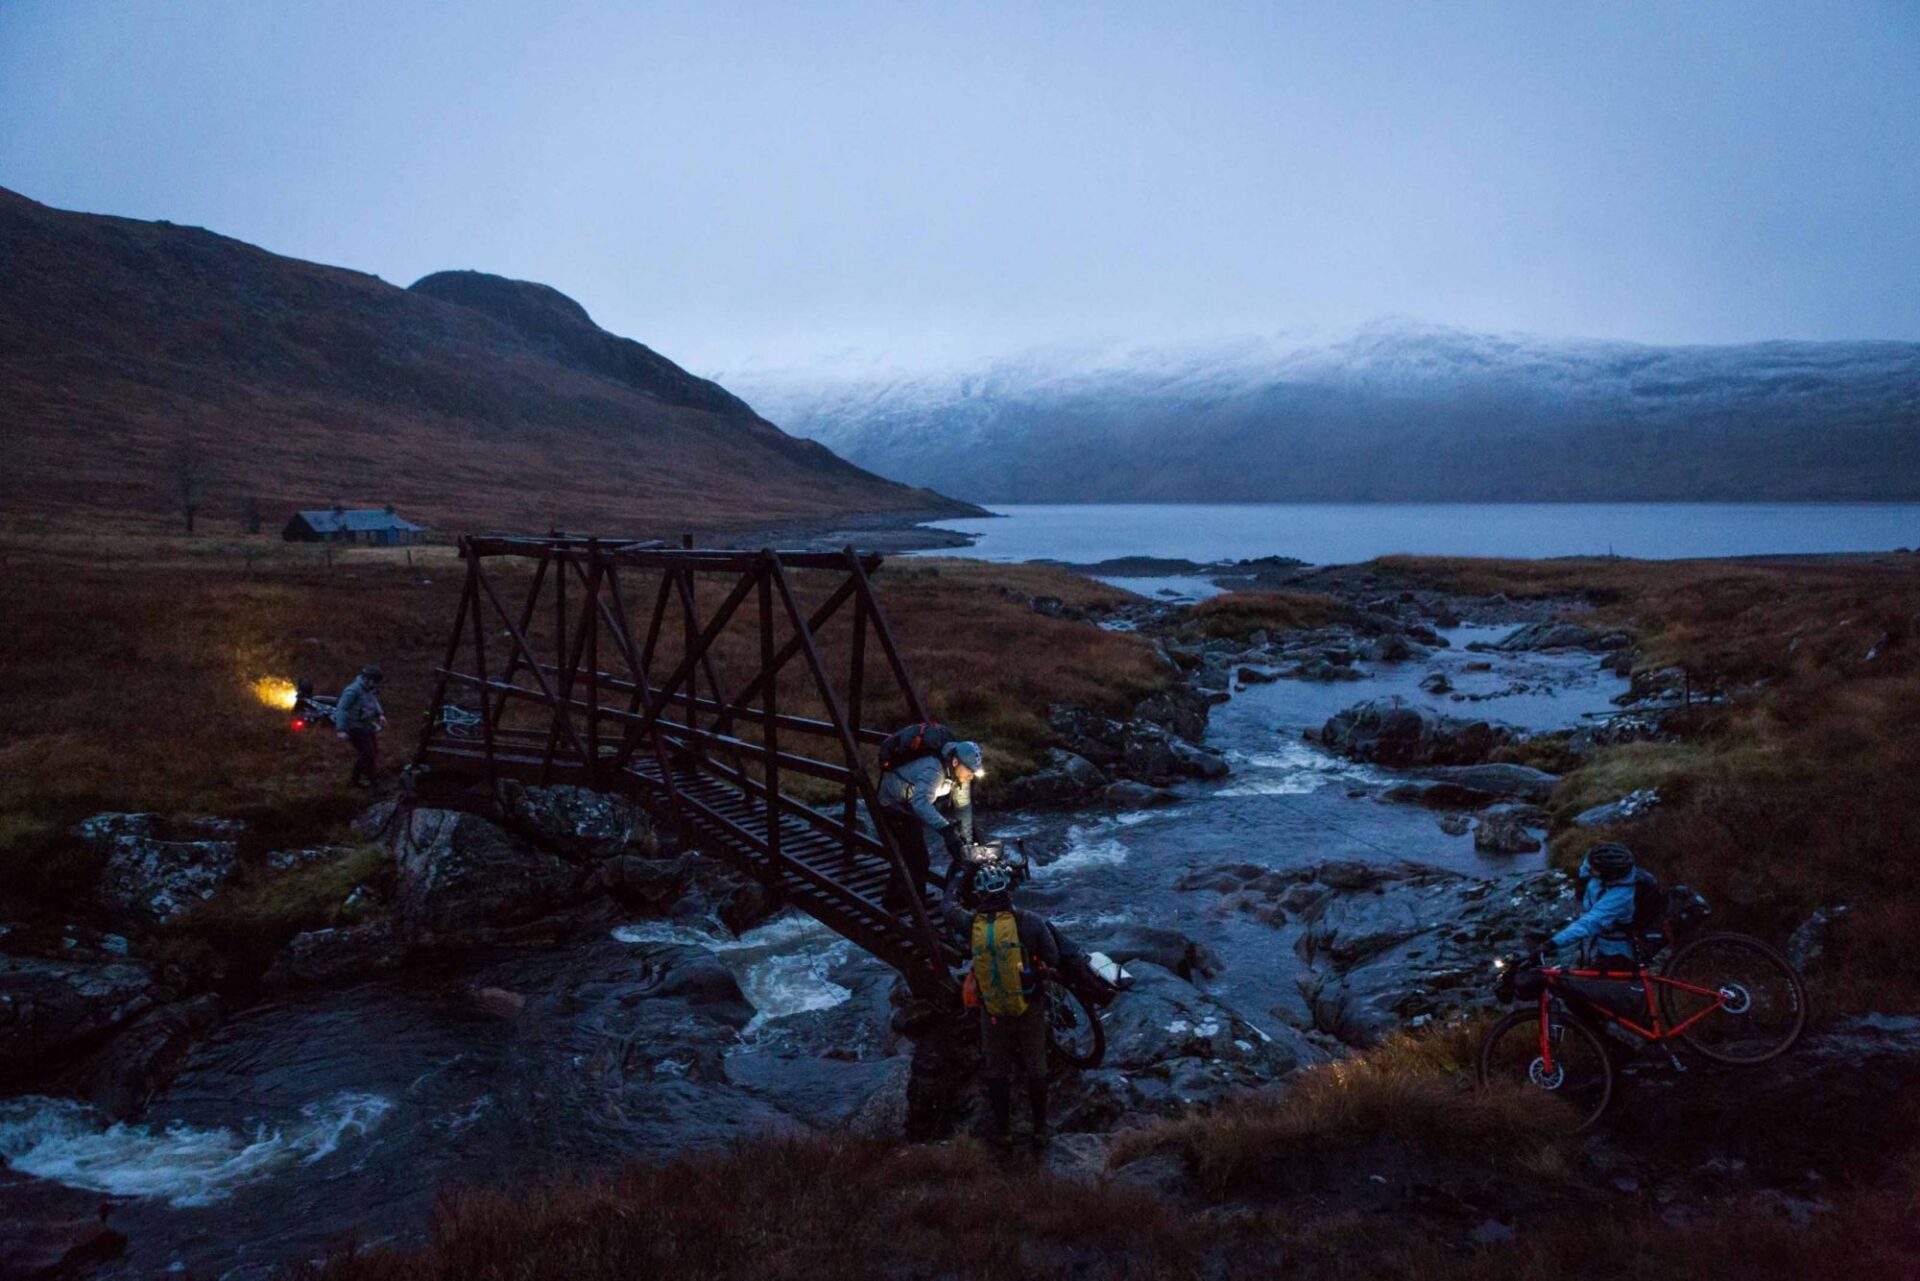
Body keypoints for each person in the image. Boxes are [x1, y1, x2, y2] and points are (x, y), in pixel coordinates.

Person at [941, 863, 1059, 1151]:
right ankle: (1040, 1129)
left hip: (992, 1009)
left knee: (997, 1070)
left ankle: (1004, 1132)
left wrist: (959, 877)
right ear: (1008, 891)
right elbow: (1053, 957)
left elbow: (948, 908)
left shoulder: (972, 924)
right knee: (1036, 1067)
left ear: (980, 895)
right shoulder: (1030, 921)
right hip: (1028, 1005)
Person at [877, 729, 984, 907]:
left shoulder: (960, 775)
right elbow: (921, 804)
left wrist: (965, 839)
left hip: (909, 803)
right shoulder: (934, 770)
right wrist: (946, 829)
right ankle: (915, 907)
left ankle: (896, 899)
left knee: (910, 853)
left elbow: (963, 807)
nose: (971, 776)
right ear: (955, 762)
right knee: (918, 858)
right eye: (969, 771)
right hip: (893, 803)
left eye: (974, 772)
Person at [333, 665, 388, 788]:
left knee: (371, 753)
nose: (376, 685)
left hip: (367, 725)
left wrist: (380, 714)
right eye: (375, 681)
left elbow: (374, 701)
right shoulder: (352, 690)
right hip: (355, 727)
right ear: (367, 679)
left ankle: (354, 781)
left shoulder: (369, 690)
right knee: (368, 755)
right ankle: (374, 785)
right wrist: (341, 729)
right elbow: (341, 709)